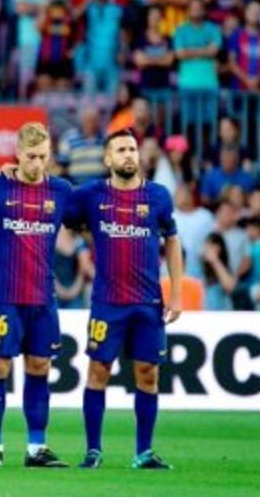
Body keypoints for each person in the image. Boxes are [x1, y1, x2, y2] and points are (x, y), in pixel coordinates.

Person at [68, 129, 182, 470]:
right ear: (108, 159)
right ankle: (93, 451)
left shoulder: (158, 196)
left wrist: (176, 294)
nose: (129, 154)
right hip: (107, 302)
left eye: (132, 149)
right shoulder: (91, 195)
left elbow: (172, 241)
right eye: (120, 150)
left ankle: (144, 452)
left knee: (148, 374)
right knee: (98, 370)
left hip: (148, 302)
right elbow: (61, 209)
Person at [0, 123, 73, 468]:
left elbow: (85, 217)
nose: (37, 163)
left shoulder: (61, 191)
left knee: (40, 365)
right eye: (31, 156)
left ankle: (36, 448)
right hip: (4, 295)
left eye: (43, 156)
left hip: (42, 295)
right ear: (17, 153)